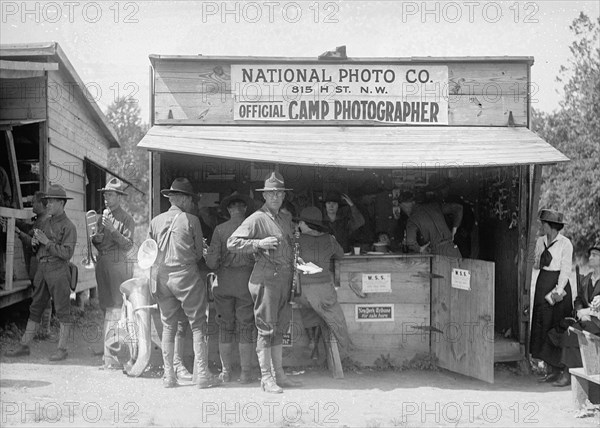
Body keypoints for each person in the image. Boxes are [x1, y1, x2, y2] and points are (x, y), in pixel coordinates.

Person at [227, 172, 301, 393]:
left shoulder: (284, 219)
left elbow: (287, 247)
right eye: (271, 193)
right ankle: (266, 378)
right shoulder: (257, 218)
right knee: (266, 329)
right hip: (266, 280)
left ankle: (279, 374)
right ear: (265, 195)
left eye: (279, 193)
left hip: (284, 280)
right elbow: (232, 243)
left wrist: (298, 259)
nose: (276, 196)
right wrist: (258, 243)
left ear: (283, 195)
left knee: (279, 329)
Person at [148, 177, 219, 389]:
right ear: (184, 199)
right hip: (186, 276)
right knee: (197, 324)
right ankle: (203, 375)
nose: (191, 204)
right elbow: (198, 254)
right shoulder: (191, 220)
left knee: (168, 325)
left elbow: (150, 251)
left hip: (162, 277)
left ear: (171, 198)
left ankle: (169, 376)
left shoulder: (155, 221)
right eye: (190, 199)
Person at [5, 184, 77, 361]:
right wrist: (36, 243)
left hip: (59, 270)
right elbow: (36, 246)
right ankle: (24, 345)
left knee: (62, 309)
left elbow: (67, 253)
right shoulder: (45, 222)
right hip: (42, 269)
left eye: (52, 201)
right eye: (47, 201)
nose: (48, 204)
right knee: (35, 307)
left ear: (61, 203)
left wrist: (46, 242)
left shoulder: (69, 226)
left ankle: (62, 348)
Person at [205, 192, 257, 383]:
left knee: (225, 327)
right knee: (245, 327)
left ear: (228, 210)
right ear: (244, 209)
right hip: (247, 283)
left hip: (224, 283)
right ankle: (245, 374)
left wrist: (207, 255)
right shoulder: (253, 228)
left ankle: (226, 372)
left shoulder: (219, 229)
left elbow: (211, 263)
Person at [295, 206, 354, 358]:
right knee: (336, 320)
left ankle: (312, 342)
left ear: (306, 224)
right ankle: (344, 353)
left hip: (302, 292)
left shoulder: (296, 241)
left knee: (309, 311)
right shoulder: (329, 239)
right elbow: (340, 255)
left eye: (300, 222)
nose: (299, 225)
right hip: (323, 290)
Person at [91, 178, 135, 369]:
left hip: (118, 263)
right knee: (105, 304)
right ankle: (108, 348)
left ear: (119, 197)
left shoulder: (127, 218)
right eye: (105, 195)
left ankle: (115, 354)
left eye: (110, 195)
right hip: (102, 262)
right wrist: (96, 238)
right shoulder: (104, 216)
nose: (106, 199)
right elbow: (99, 242)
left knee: (117, 306)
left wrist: (111, 230)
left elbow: (128, 245)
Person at [546, 243, 600, 387]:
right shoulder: (587, 279)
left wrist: (588, 313)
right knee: (566, 331)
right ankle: (565, 370)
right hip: (584, 320)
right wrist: (579, 311)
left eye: (595, 255)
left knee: (575, 335)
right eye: (591, 254)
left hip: (598, 323)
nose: (591, 257)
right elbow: (578, 300)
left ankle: (568, 374)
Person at [530, 209, 574, 384]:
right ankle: (549, 369)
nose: (542, 226)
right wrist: (535, 258)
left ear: (551, 226)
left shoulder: (565, 243)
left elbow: (566, 268)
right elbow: (535, 265)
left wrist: (558, 290)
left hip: (558, 284)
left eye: (544, 224)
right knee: (542, 322)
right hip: (543, 282)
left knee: (556, 323)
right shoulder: (540, 241)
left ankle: (560, 368)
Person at [15, 191, 52, 337]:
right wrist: (19, 223)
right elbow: (29, 228)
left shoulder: (44, 222)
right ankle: (43, 328)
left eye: (35, 202)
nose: (32, 204)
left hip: (41, 264)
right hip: (37, 264)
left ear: (42, 205)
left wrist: (19, 233)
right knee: (40, 295)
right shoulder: (40, 220)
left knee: (42, 295)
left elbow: (32, 244)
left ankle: (44, 329)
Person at [398, 191, 463, 258]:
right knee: (458, 268)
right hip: (453, 249)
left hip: (437, 254)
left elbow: (410, 243)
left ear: (408, 204)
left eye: (403, 208)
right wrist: (454, 230)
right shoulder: (434, 206)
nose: (404, 211)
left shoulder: (412, 220)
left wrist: (420, 249)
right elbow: (458, 208)